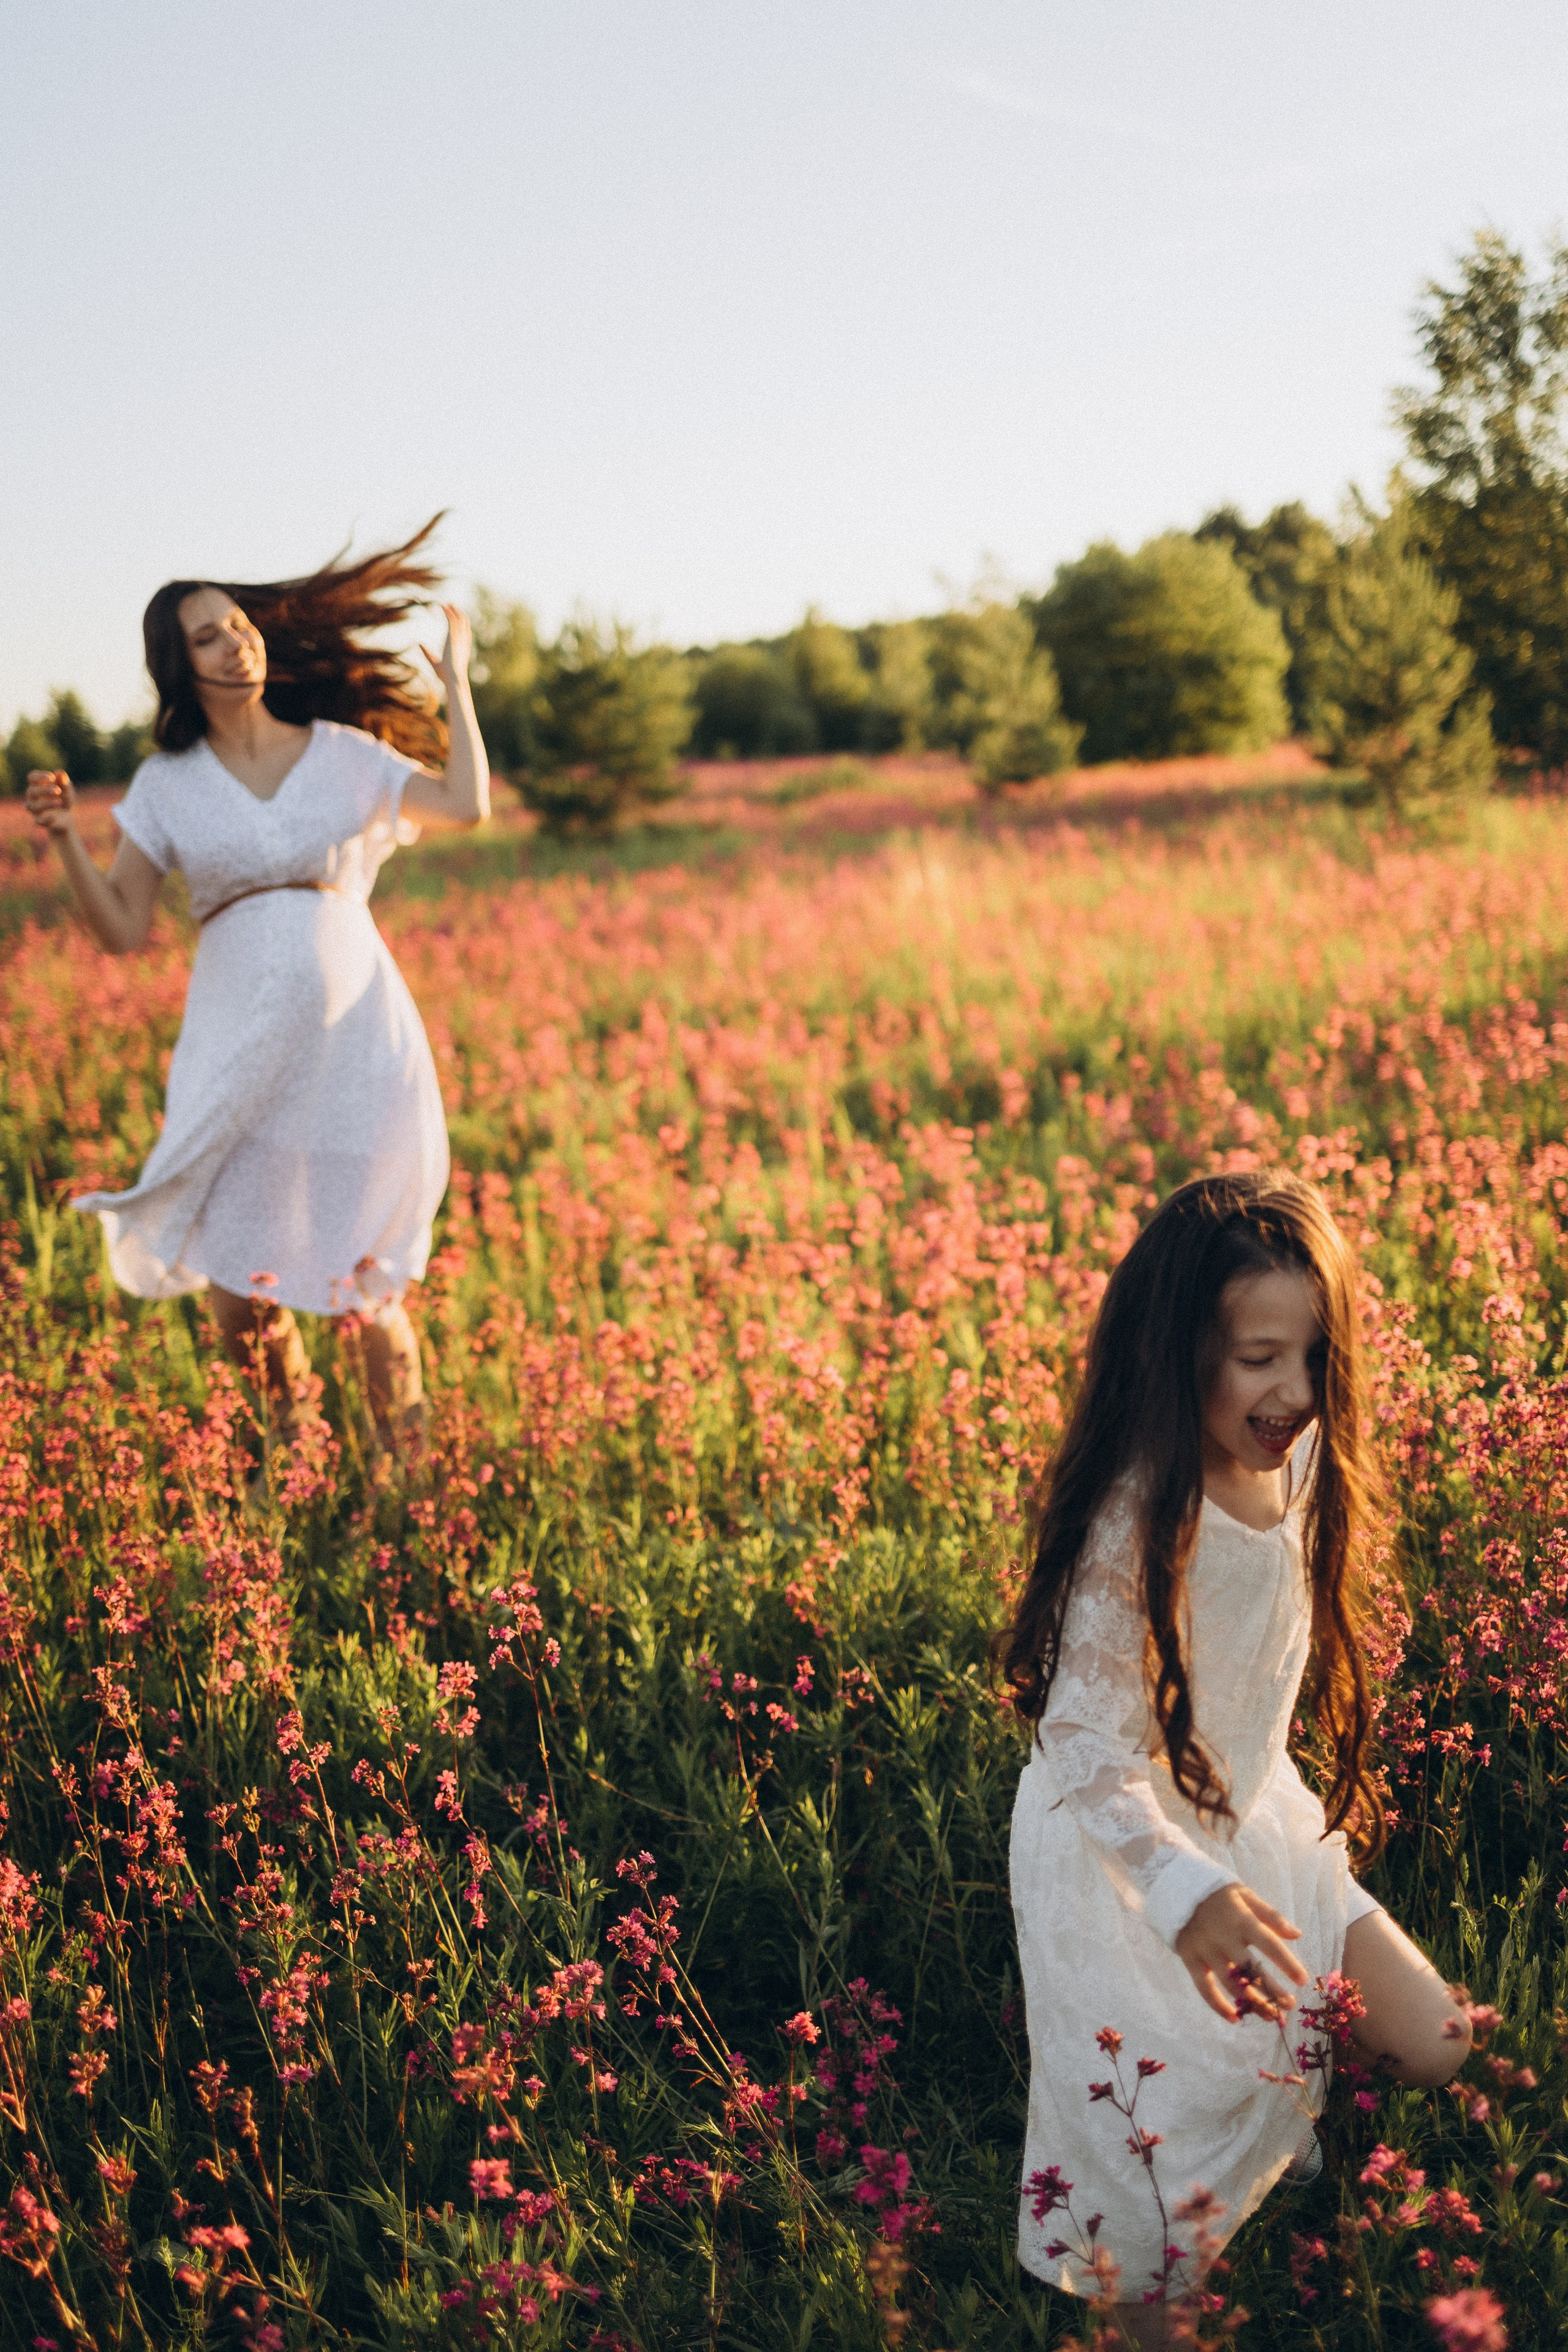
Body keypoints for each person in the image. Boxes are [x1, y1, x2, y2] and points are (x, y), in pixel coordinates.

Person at [998, 1170, 1470, 2346]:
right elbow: (1079, 1742)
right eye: (1261, 1357)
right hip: (1122, 1857)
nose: (1297, 1393)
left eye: (1317, 1358)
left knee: (1438, 2042)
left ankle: (1286, 2145)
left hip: (1249, 1811)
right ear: (1178, 1351)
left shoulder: (1301, 1460)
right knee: (1158, 2253)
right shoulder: (1138, 1509)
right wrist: (1181, 1890)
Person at [24, 518, 488, 1465]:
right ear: (178, 664)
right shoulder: (168, 785)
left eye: (240, 625)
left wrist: (458, 687)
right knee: (241, 1291)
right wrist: (68, 837)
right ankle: (293, 1464)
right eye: (209, 635)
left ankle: (412, 1489)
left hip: (359, 1041)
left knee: (368, 1280)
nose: (236, 641)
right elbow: (121, 931)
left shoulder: (343, 752)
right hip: (234, 1042)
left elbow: (466, 805)